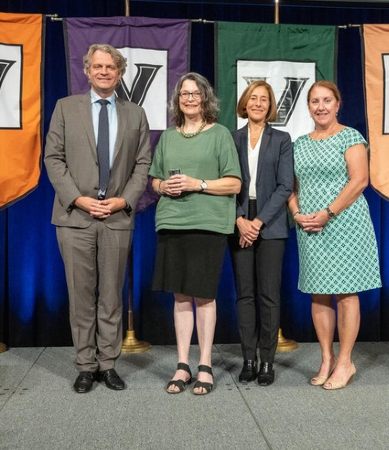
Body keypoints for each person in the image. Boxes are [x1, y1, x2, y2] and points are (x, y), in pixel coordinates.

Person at [44, 44, 151, 394]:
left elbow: (142, 165)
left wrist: (124, 200)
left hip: (117, 218)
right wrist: (78, 198)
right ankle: (85, 366)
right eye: (98, 66)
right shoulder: (65, 108)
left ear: (119, 74)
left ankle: (108, 364)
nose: (104, 72)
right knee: (81, 295)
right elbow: (53, 159)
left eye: (111, 67)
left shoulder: (135, 114)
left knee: (111, 297)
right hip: (75, 217)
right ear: (87, 71)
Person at [149, 72, 241, 395]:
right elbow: (154, 181)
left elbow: (234, 182)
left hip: (208, 224)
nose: (189, 98)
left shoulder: (220, 135)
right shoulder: (167, 137)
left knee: (204, 295)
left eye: (195, 93)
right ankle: (182, 365)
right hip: (173, 223)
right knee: (179, 296)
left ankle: (205, 365)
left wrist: (197, 184)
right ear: (177, 100)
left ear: (205, 98)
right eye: (184, 94)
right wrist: (165, 185)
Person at [288, 80, 381, 390]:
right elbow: (292, 189)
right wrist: (298, 215)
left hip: (345, 222)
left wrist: (327, 213)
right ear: (309, 107)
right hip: (310, 226)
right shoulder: (299, 143)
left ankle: (345, 361)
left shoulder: (351, 137)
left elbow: (360, 181)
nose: (321, 106)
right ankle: (326, 357)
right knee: (318, 292)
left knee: (345, 292)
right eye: (315, 101)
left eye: (327, 100)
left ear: (338, 104)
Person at [229, 81, 294, 386]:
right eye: (253, 98)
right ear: (245, 102)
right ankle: (248, 359)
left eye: (263, 99)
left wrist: (257, 223)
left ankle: (267, 361)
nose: (257, 103)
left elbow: (285, 186)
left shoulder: (282, 139)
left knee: (268, 295)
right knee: (245, 295)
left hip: (271, 222)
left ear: (270, 106)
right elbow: (226, 183)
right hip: (239, 219)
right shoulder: (232, 138)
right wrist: (241, 219)